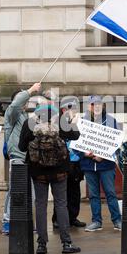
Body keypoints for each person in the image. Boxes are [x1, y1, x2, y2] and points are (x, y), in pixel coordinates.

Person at [18, 103, 81, 254]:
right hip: (59, 171)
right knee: (61, 204)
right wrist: (72, 122)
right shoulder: (60, 122)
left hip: (37, 170)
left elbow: (21, 147)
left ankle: (41, 244)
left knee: (40, 205)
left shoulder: (29, 123)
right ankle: (66, 243)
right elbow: (76, 136)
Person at [78, 95, 122, 233]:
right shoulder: (82, 122)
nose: (95, 106)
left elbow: (116, 142)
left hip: (106, 165)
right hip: (88, 165)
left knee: (110, 193)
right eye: (92, 104)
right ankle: (96, 221)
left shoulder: (111, 121)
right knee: (93, 195)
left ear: (102, 105)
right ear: (88, 106)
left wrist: (103, 155)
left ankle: (117, 220)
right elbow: (75, 143)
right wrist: (84, 154)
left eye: (98, 104)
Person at [1, 82, 41, 235]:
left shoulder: (25, 116)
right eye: (22, 100)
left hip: (28, 158)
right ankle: (8, 221)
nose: (25, 103)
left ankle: (27, 221)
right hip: (17, 157)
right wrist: (30, 90)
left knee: (30, 192)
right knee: (14, 191)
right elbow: (15, 105)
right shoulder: (12, 114)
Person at [52, 97, 86, 229]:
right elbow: (72, 135)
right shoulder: (59, 122)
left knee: (75, 192)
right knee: (61, 193)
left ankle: (73, 217)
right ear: (64, 109)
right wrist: (72, 123)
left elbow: (80, 137)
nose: (74, 111)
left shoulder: (75, 122)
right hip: (63, 162)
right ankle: (57, 219)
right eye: (72, 108)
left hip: (75, 160)